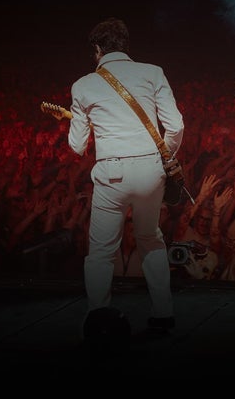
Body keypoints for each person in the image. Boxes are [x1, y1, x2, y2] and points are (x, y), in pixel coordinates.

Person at [61, 17, 184, 337]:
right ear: (126, 45)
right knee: (150, 238)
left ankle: (98, 316)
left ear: (97, 49)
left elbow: (77, 146)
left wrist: (84, 121)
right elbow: (176, 126)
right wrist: (164, 155)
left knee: (102, 251)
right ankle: (164, 314)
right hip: (150, 170)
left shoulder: (83, 85)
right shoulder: (153, 72)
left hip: (112, 172)